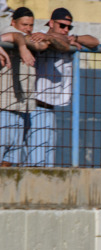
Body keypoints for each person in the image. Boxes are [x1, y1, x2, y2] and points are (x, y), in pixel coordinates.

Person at [28, 8, 99, 168]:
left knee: (49, 161)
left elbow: (94, 42)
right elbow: (46, 44)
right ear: (51, 23)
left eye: (69, 27)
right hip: (35, 106)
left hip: (51, 107)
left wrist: (74, 38)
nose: (65, 29)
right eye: (62, 25)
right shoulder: (40, 36)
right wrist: (61, 40)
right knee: (36, 162)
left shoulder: (67, 38)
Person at [0, 7, 37, 167]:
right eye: (24, 24)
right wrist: (22, 47)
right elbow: (16, 35)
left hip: (21, 108)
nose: (28, 29)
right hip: (5, 108)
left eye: (31, 25)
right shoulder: (9, 33)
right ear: (13, 22)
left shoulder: (29, 38)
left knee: (11, 158)